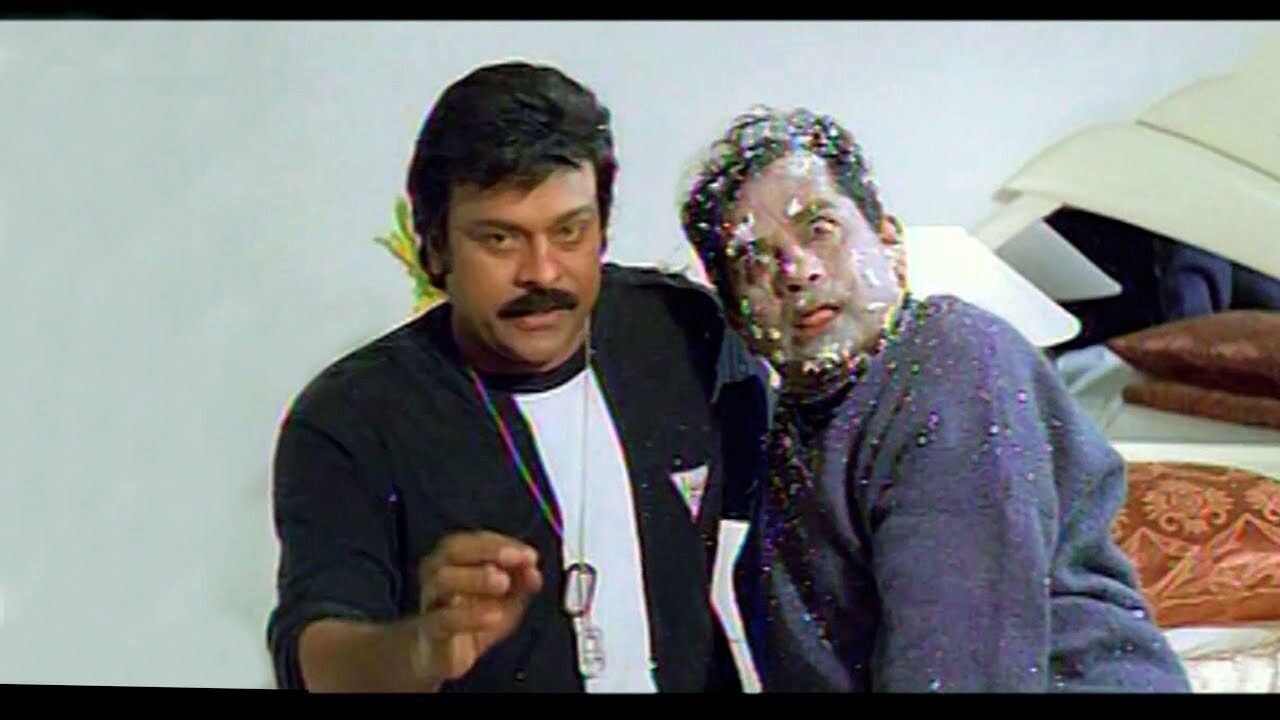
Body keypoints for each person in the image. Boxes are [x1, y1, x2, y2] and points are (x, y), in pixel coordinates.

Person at [266, 62, 767, 693]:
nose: (543, 273)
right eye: (500, 239)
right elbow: (314, 657)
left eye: (569, 231)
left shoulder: (683, 330)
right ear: (435, 248)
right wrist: (420, 648)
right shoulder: (351, 417)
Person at [679, 106, 1191, 692]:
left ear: (890, 243)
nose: (797, 271)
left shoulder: (951, 361)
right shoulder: (799, 415)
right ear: (736, 314)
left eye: (820, 228)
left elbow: (958, 661)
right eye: (754, 258)